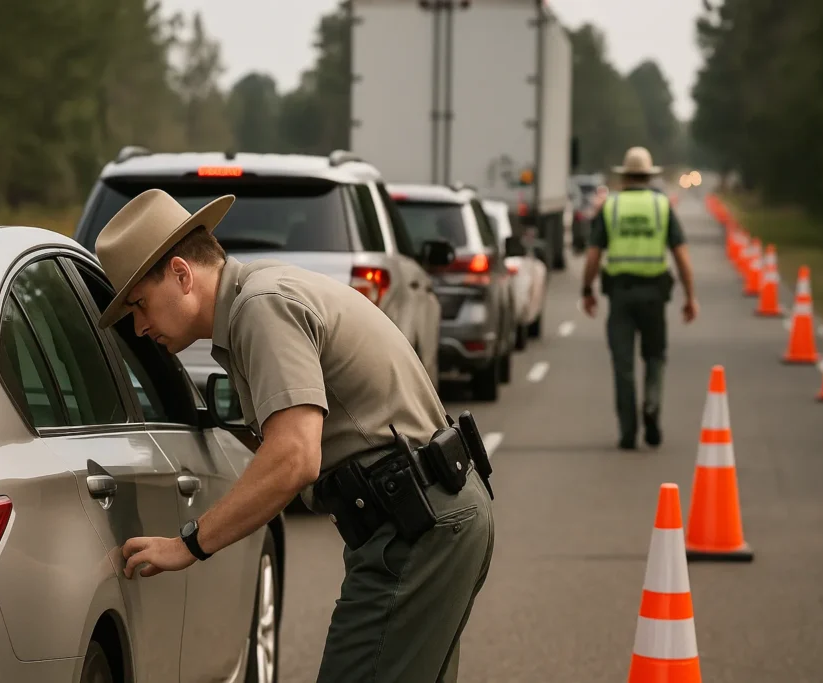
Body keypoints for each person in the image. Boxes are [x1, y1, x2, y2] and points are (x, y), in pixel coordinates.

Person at [91, 188, 496, 683]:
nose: (138, 326)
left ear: (181, 274)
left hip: (417, 528)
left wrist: (188, 545)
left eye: (139, 304)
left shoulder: (260, 307)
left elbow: (294, 457)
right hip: (429, 516)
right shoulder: (260, 296)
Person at [579, 147, 699, 450]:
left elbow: (593, 255)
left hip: (620, 295)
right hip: (654, 296)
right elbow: (681, 255)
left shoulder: (610, 207)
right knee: (655, 357)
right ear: (648, 176)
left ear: (625, 176)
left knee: (623, 365)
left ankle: (628, 432)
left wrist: (587, 290)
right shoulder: (661, 206)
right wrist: (690, 296)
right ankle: (652, 405)